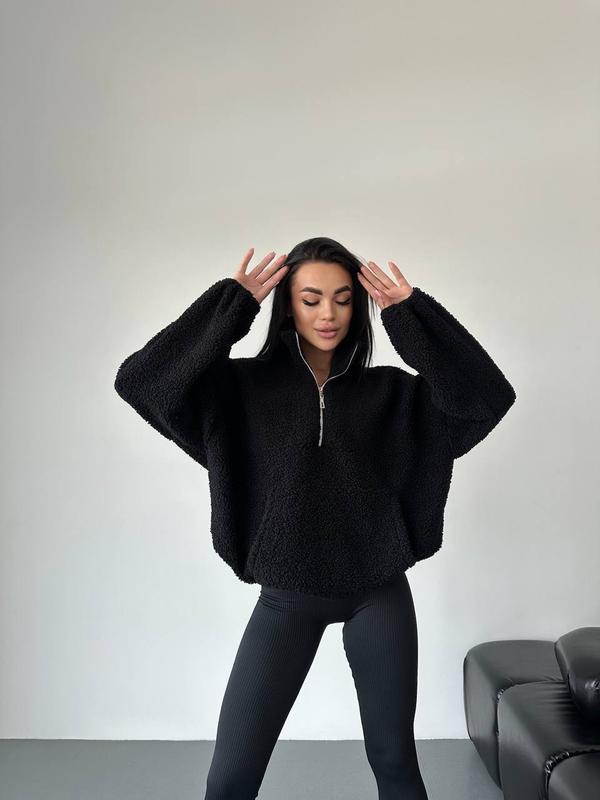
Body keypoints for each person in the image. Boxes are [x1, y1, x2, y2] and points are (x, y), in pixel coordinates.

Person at [114, 237, 517, 799]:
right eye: (310, 299)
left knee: (396, 763)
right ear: (288, 306)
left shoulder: (394, 396)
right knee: (231, 778)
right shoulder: (239, 391)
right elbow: (141, 381)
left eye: (343, 299)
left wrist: (411, 316)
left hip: (378, 594)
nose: (328, 314)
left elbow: (487, 398)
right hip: (286, 598)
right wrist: (230, 306)